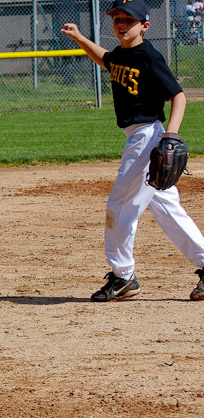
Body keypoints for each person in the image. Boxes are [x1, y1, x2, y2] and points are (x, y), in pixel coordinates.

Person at [61, 0, 204, 302]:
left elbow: (178, 96)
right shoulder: (124, 55)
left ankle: (123, 275)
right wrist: (80, 38)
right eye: (117, 19)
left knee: (120, 205)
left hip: (147, 137)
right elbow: (106, 60)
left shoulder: (149, 56)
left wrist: (171, 135)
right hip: (139, 137)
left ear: (145, 26)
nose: (122, 23)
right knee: (167, 208)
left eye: (129, 19)